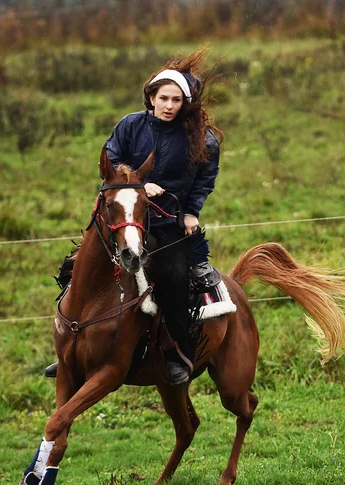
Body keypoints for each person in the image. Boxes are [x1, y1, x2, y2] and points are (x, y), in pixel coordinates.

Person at [46, 48, 225, 385]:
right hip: (123, 217)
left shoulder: (200, 139)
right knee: (77, 267)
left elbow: (205, 178)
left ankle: (177, 354)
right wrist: (139, 185)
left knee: (172, 276)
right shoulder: (129, 125)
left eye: (176, 100)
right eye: (163, 98)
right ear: (151, 97)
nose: (169, 105)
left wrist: (191, 212)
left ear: (184, 103)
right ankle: (69, 349)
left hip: (168, 221)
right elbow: (111, 163)